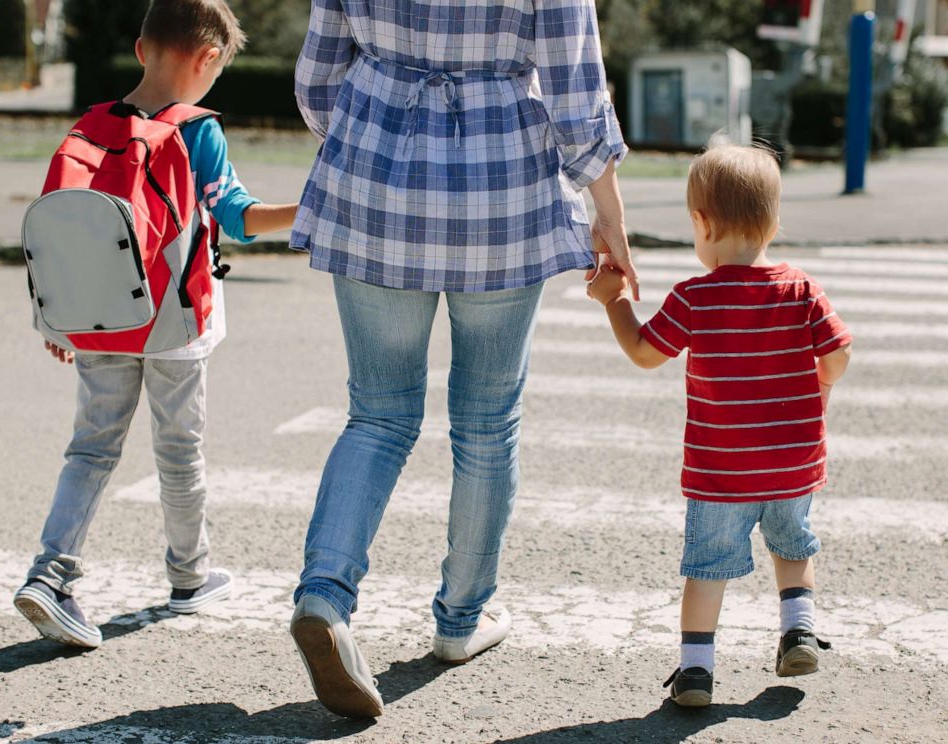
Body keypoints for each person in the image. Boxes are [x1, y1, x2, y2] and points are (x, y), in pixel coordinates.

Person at [289, 0, 638, 719]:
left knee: (377, 416)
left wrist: (372, 143)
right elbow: (575, 92)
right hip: (501, 196)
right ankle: (461, 621)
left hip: (376, 186)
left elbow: (319, 78)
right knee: (486, 423)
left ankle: (324, 596)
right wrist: (609, 210)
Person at [13, 0, 298, 649]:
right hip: (175, 324)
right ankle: (189, 574)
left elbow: (61, 232)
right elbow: (237, 219)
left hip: (96, 320)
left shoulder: (87, 128)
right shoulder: (197, 131)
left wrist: (58, 322)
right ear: (209, 60)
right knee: (178, 451)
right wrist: (306, 213)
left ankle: (50, 573)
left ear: (141, 50)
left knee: (89, 449)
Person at [587, 143, 853, 707]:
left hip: (719, 471)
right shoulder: (802, 289)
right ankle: (798, 632)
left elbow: (642, 352)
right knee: (793, 548)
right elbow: (838, 355)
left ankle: (696, 672)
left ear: (701, 224)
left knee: (707, 569)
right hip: (792, 463)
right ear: (774, 224)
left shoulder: (695, 297)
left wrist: (613, 300)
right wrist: (822, 390)